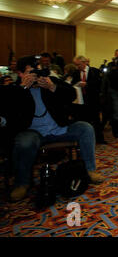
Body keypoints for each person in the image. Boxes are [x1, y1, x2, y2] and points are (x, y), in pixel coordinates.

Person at [8, 56, 105, 202]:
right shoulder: (15, 89)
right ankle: (22, 183)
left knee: (86, 128)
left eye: (37, 71)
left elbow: (72, 93)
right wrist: (23, 88)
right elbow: (10, 109)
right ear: (21, 74)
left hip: (59, 128)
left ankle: (89, 170)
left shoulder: (49, 82)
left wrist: (52, 87)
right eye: (30, 73)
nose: (36, 76)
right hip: (33, 133)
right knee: (24, 143)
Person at [72, 55, 106, 144]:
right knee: (84, 121)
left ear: (84, 63)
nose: (77, 67)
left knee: (96, 120)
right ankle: (85, 139)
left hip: (93, 99)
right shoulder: (76, 73)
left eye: (78, 64)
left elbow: (99, 84)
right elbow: (73, 83)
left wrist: (87, 84)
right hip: (81, 101)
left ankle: (99, 138)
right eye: (76, 65)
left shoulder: (94, 71)